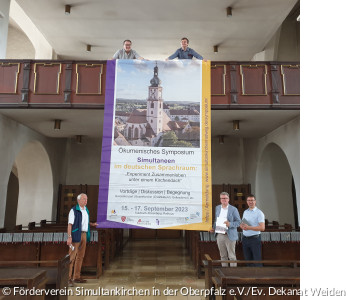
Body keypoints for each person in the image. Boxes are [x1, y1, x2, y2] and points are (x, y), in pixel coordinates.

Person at [67, 193, 98, 286]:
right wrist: (69, 236)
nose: (86, 201)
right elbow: (70, 224)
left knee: (80, 256)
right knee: (72, 257)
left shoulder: (86, 210)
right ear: (78, 200)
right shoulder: (74, 210)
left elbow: (85, 222)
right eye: (84, 199)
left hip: (84, 234)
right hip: (76, 234)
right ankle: (67, 279)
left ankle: (76, 277)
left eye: (87, 199)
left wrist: (92, 224)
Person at [211, 192, 241, 267]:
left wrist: (230, 224)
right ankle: (224, 273)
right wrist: (213, 228)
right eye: (222, 198)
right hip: (220, 235)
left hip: (229, 235)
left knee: (232, 256)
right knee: (223, 256)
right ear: (220, 199)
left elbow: (238, 222)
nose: (224, 200)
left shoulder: (233, 209)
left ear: (228, 199)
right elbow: (216, 220)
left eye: (225, 198)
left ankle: (232, 274)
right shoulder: (217, 208)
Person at [240, 194, 265, 267]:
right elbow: (243, 223)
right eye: (249, 200)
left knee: (257, 261)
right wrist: (241, 226)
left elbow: (262, 228)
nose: (250, 202)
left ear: (255, 201)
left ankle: (259, 277)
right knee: (248, 261)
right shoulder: (245, 212)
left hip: (255, 239)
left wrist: (249, 227)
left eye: (252, 200)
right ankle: (250, 277)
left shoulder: (259, 213)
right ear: (247, 202)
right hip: (245, 239)